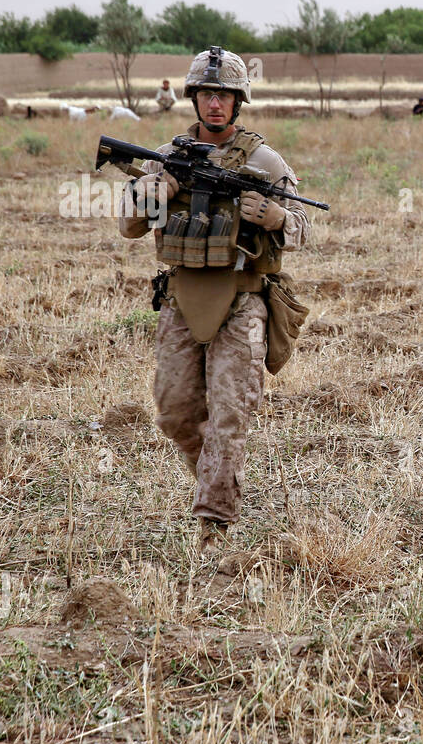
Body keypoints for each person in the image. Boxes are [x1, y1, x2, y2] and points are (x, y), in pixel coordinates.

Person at [119, 46, 312, 554]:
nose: (216, 104)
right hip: (181, 300)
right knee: (175, 414)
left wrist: (276, 218)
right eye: (207, 93)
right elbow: (128, 227)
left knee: (230, 414)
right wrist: (152, 193)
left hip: (243, 300)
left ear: (239, 100)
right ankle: (214, 477)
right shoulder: (169, 155)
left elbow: (303, 229)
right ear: (194, 98)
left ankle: (214, 523)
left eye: (225, 94)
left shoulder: (266, 161)